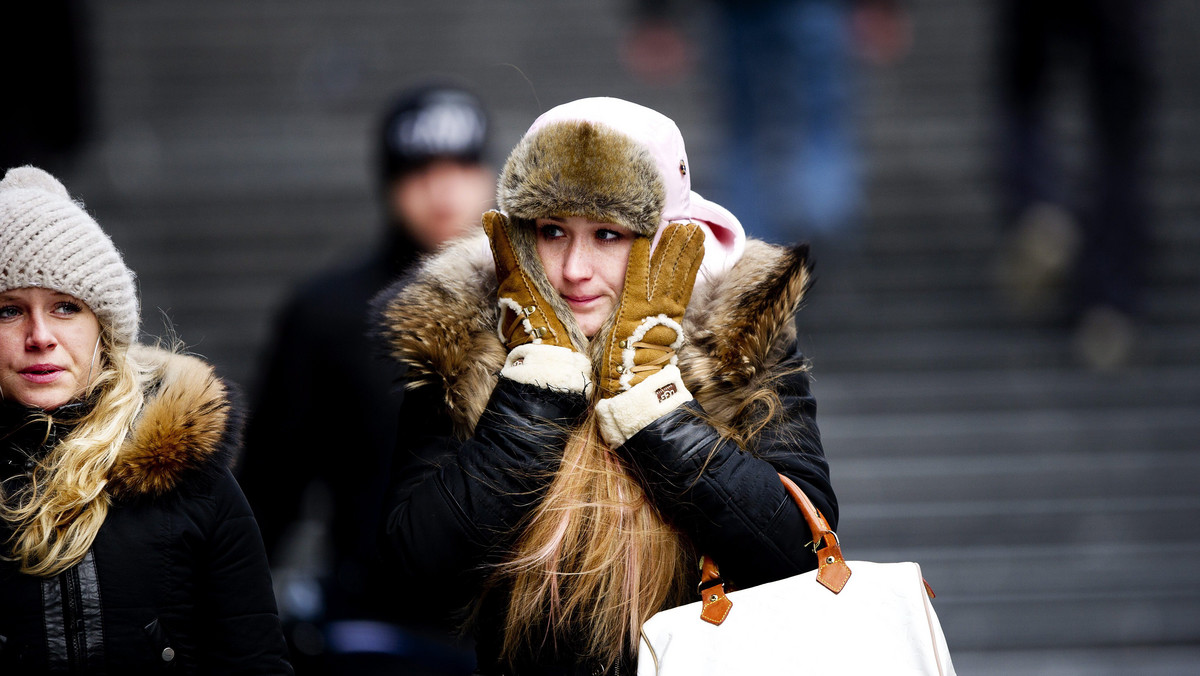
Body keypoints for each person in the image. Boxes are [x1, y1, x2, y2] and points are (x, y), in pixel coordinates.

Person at [375, 97, 838, 675]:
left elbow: (800, 552)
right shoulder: (466, 336)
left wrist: (653, 410)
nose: (573, 268)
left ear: (671, 237)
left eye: (608, 234)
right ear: (518, 236)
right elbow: (412, 570)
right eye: (551, 231)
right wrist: (535, 394)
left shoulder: (738, 330)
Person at [238, 83, 491, 675]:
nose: (442, 187)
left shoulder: (545, 305)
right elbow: (270, 487)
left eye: (461, 164)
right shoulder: (325, 315)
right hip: (373, 632)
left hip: (517, 633)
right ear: (387, 181)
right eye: (418, 169)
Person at [0, 166, 292, 674]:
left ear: (103, 329)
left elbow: (255, 661)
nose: (40, 335)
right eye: (8, 311)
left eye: (66, 307)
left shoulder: (187, 477)